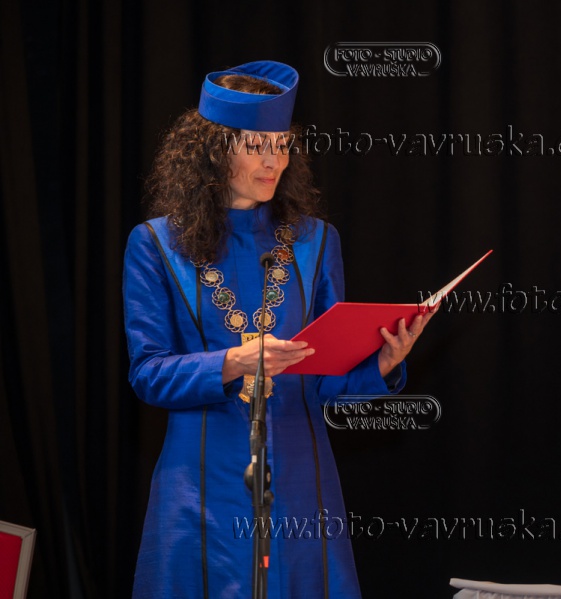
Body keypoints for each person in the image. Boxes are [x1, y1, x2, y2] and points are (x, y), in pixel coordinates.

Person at [123, 60, 431, 598]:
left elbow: (325, 377)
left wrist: (380, 364)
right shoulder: (155, 244)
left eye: (282, 144)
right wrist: (232, 362)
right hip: (199, 484)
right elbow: (148, 374)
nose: (274, 161)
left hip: (299, 479)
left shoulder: (317, 241)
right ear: (214, 151)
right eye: (256, 145)